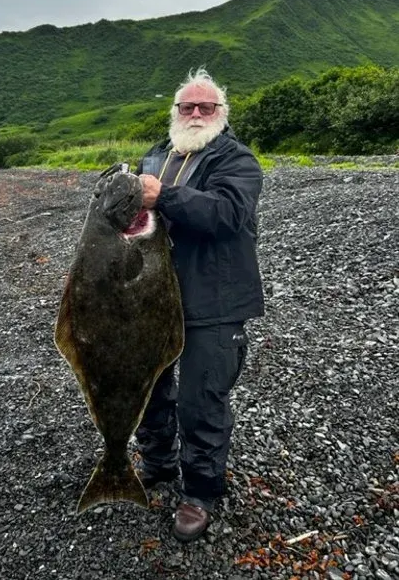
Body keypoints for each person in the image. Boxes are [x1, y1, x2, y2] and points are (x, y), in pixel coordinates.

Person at [135, 67, 264, 542]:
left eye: (204, 107)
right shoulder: (155, 156)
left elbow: (227, 215)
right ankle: (158, 463)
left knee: (201, 400)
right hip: (153, 299)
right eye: (186, 106)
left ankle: (201, 492)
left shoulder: (237, 160)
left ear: (221, 114)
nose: (194, 113)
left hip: (215, 300)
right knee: (150, 390)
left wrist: (163, 195)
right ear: (174, 112)